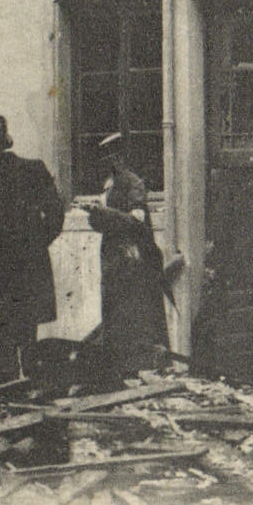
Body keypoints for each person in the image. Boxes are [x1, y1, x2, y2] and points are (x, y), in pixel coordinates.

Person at [0, 115, 65, 386]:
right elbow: (56, 215)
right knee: (28, 339)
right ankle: (34, 393)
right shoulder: (33, 170)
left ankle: (2, 398)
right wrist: (35, 244)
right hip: (31, 270)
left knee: (1, 345)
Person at [85, 132, 169, 383]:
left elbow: (136, 220)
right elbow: (107, 221)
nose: (111, 162)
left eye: (114, 157)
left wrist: (102, 213)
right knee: (114, 314)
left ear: (121, 157)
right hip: (114, 257)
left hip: (131, 259)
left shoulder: (134, 183)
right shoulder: (110, 184)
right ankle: (118, 370)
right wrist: (96, 216)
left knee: (132, 314)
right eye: (107, 158)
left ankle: (136, 368)